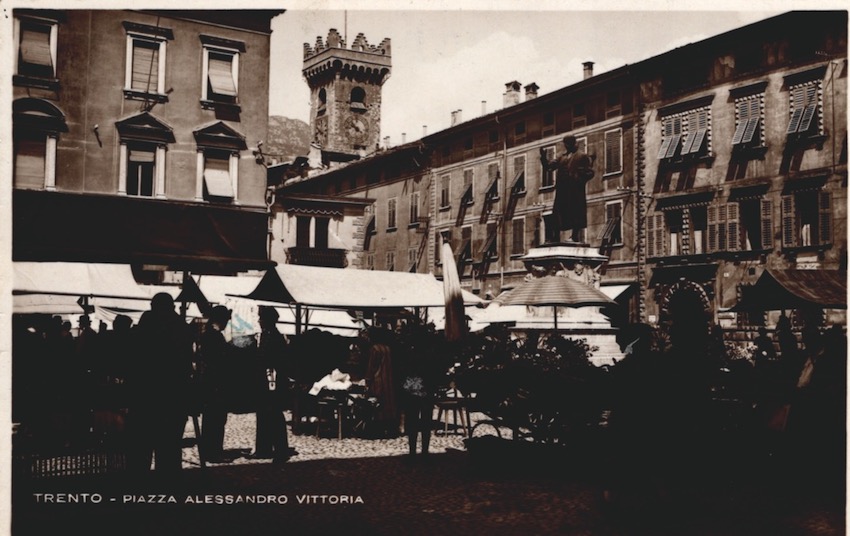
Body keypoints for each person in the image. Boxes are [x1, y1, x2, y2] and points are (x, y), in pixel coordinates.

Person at [125, 292, 194, 476]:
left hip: (146, 395)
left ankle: (140, 485)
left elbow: (134, 359)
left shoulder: (147, 323)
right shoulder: (181, 326)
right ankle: (168, 484)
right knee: (169, 448)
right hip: (174, 396)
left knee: (142, 447)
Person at [251, 306, 293, 463]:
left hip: (271, 383)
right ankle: (264, 448)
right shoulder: (269, 335)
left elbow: (268, 361)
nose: (259, 321)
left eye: (261, 318)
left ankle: (278, 449)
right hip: (266, 383)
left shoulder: (273, 337)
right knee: (265, 415)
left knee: (273, 415)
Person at [540, 134, 595, 242]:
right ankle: (556, 237)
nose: (567, 146)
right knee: (557, 212)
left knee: (576, 211)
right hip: (562, 190)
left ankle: (575, 236)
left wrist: (579, 178)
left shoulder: (582, 156)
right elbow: (549, 167)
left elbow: (590, 172)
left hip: (575, 189)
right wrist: (543, 158)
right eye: (566, 144)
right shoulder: (562, 157)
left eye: (569, 143)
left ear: (574, 143)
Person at [197, 305, 234, 463]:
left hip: (209, 384)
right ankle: (214, 452)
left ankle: (208, 451)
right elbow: (220, 362)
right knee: (216, 420)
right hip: (216, 384)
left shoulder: (208, 334)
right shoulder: (215, 336)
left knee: (210, 419)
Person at [399, 344, 439, 463]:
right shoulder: (431, 354)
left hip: (412, 392)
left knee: (412, 423)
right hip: (426, 392)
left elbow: (404, 372)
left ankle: (412, 454)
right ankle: (424, 453)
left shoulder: (408, 354)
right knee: (425, 424)